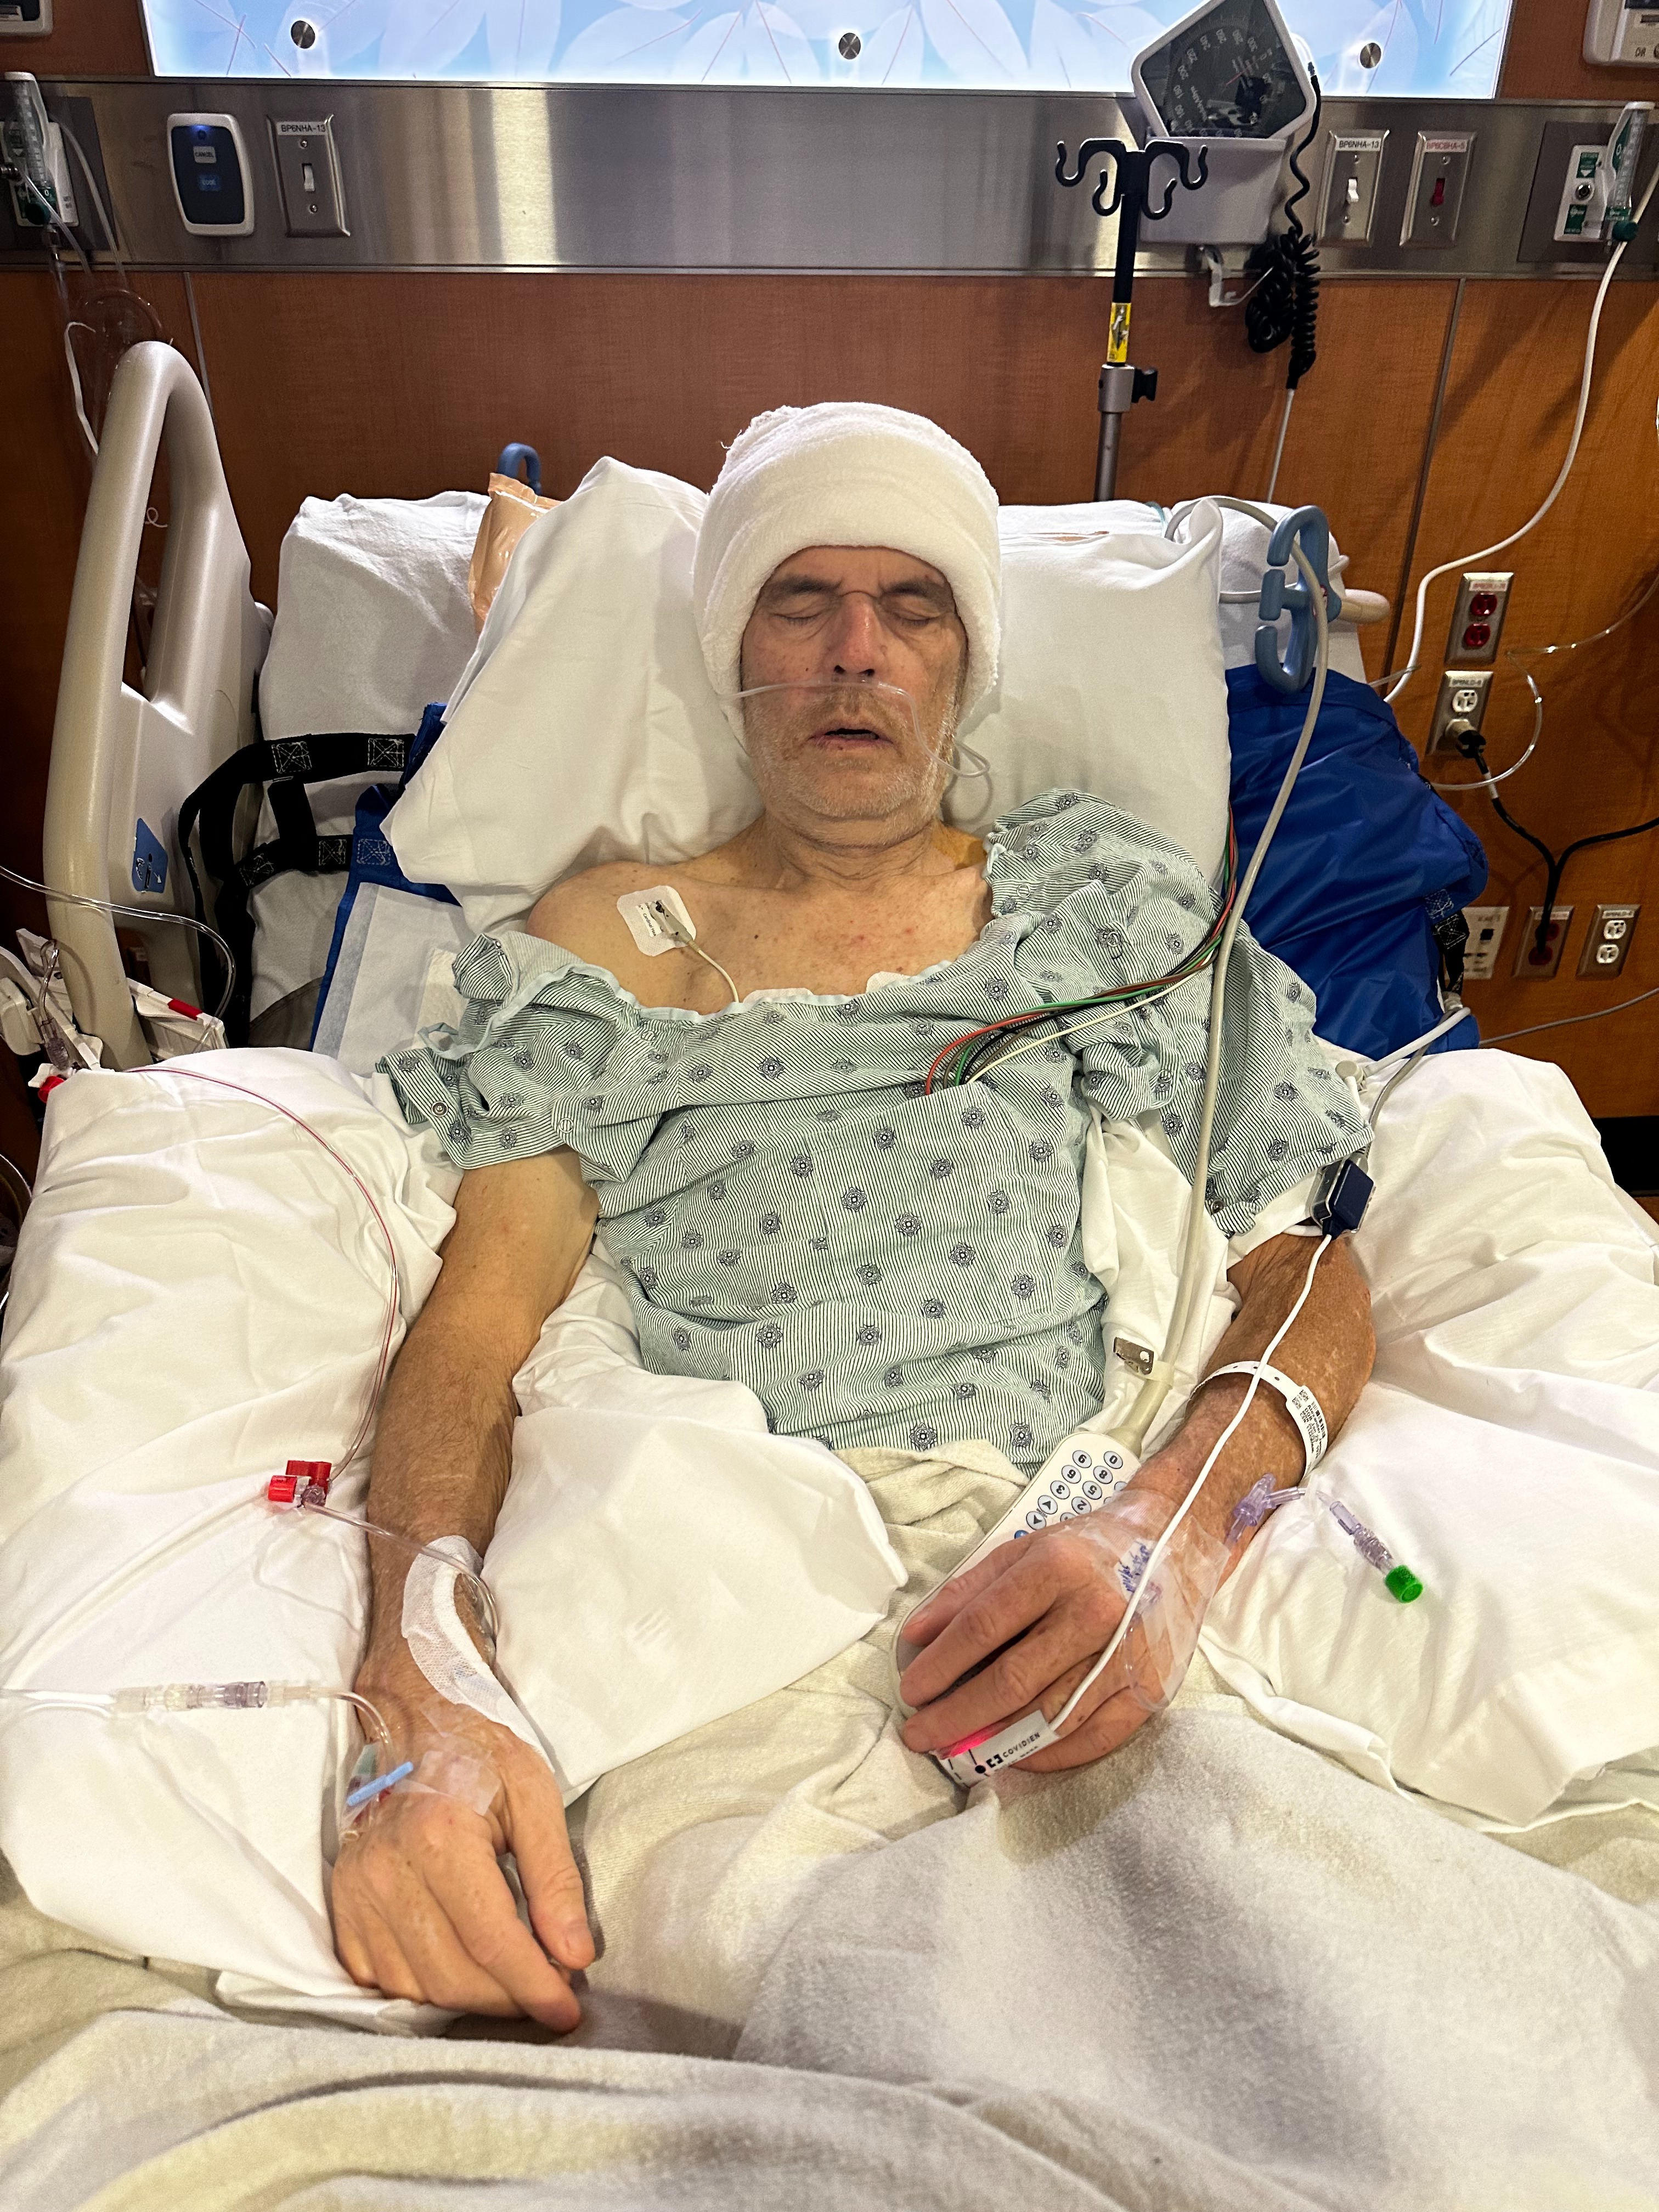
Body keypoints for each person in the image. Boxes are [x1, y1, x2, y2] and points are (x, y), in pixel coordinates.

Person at [335, 403, 1375, 2028]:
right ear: (731, 654)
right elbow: (477, 1325)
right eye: (799, 601)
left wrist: (1160, 1538)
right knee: (778, 2000)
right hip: (737, 1592)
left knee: (1287, 1987)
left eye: (913, 606)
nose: (854, 653)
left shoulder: (1098, 904)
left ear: (969, 664)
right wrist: (422, 1672)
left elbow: (1304, 1258)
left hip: (1074, 1553)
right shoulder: (604, 943)